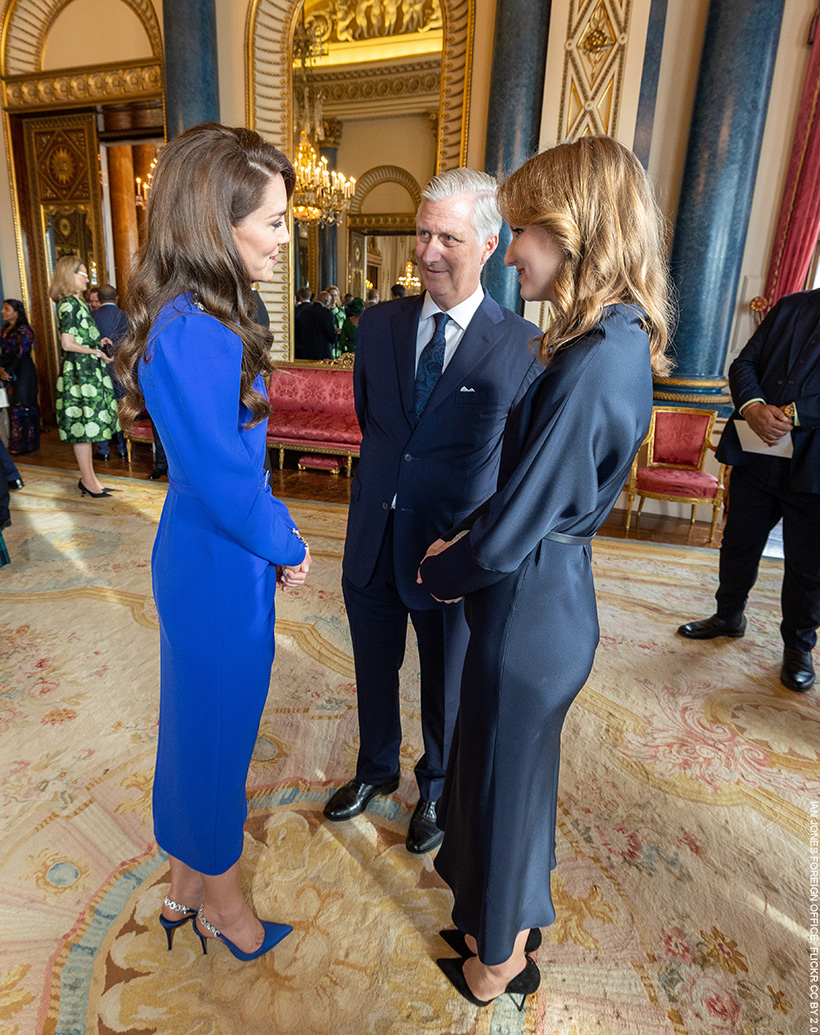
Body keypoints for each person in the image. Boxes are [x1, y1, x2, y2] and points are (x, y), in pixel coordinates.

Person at [417, 137, 671, 1007]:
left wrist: (447, 569)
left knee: (506, 788)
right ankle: (501, 928)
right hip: (537, 600)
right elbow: (527, 492)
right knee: (503, 780)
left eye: (522, 228)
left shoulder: (602, 356)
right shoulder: (605, 338)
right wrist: (469, 547)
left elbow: (517, 524)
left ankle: (498, 967)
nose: (511, 247)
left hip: (533, 610)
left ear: (576, 231)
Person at [116, 122, 311, 960]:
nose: (282, 237)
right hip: (216, 556)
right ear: (213, 222)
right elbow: (232, 481)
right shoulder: (198, 329)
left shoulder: (191, 316)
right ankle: (225, 910)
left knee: (197, 726)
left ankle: (183, 886)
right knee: (216, 735)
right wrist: (287, 543)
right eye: (271, 220)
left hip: (206, 552)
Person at [324, 168, 541, 854]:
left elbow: (513, 466)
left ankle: (439, 787)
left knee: (446, 682)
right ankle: (375, 768)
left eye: (447, 235)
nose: (427, 251)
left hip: (447, 552)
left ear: (487, 244)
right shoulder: (377, 324)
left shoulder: (521, 346)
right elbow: (375, 425)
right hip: (371, 537)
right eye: (422, 232)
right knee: (371, 667)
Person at [677, 288, 820, 692]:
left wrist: (795, 413)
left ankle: (798, 647)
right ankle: (728, 616)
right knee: (738, 543)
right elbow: (745, 363)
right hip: (756, 455)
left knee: (807, 567)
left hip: (813, 469)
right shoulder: (792, 306)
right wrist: (754, 406)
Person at [49, 256, 119, 498]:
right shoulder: (69, 304)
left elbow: (79, 337)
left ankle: (90, 480)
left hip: (86, 371)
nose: (87, 278)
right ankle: (89, 481)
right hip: (80, 374)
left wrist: (98, 342)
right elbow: (67, 343)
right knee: (83, 427)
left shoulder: (77, 303)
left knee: (88, 429)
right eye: (82, 273)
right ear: (70, 275)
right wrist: (96, 352)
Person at [92, 284, 128, 462]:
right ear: (117, 298)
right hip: (120, 371)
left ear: (98, 298)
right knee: (120, 410)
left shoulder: (93, 316)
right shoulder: (125, 316)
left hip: (99, 371)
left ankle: (104, 451)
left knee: (102, 411)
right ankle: (123, 449)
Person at [0, 299, 40, 454]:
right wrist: (1, 369)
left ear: (16, 312)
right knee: (13, 407)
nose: (3, 311)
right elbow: (3, 353)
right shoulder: (4, 330)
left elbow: (20, 354)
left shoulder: (25, 331)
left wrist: (7, 371)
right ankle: (16, 444)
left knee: (24, 406)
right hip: (8, 372)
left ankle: (27, 444)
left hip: (24, 372)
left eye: (7, 309)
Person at [295, 290, 337, 360]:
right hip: (323, 354)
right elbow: (332, 336)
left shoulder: (305, 311)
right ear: (326, 301)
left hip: (306, 353)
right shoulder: (327, 313)